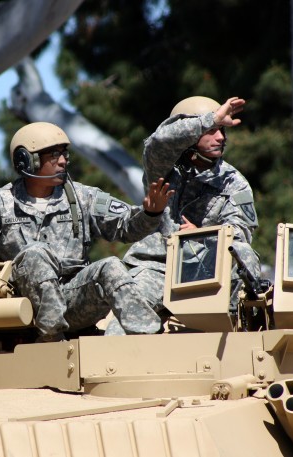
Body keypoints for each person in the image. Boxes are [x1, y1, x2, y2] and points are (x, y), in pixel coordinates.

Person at [0, 121, 174, 342]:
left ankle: (147, 338)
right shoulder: (0, 203)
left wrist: (150, 213)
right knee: (36, 253)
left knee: (110, 265)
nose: (63, 161)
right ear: (27, 161)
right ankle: (53, 342)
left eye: (64, 153)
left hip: (73, 297)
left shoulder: (83, 197)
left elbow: (126, 227)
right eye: (54, 154)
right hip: (24, 305)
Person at [109, 96, 260, 334]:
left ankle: (240, 333)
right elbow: (158, 141)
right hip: (157, 266)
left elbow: (241, 235)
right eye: (211, 130)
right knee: (123, 320)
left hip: (207, 272)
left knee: (244, 254)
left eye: (221, 130)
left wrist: (202, 236)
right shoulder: (163, 167)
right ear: (189, 134)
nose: (220, 137)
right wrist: (210, 118)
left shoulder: (234, 183)